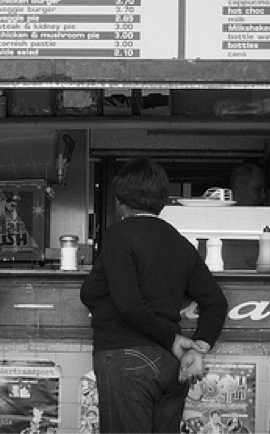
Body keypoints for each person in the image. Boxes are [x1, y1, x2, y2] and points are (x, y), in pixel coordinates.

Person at [80, 157, 229, 434]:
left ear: (120, 201)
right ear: (162, 201)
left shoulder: (118, 236)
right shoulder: (179, 243)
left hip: (126, 361)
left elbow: (129, 305)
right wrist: (198, 348)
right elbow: (216, 303)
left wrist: (173, 339)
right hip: (171, 368)